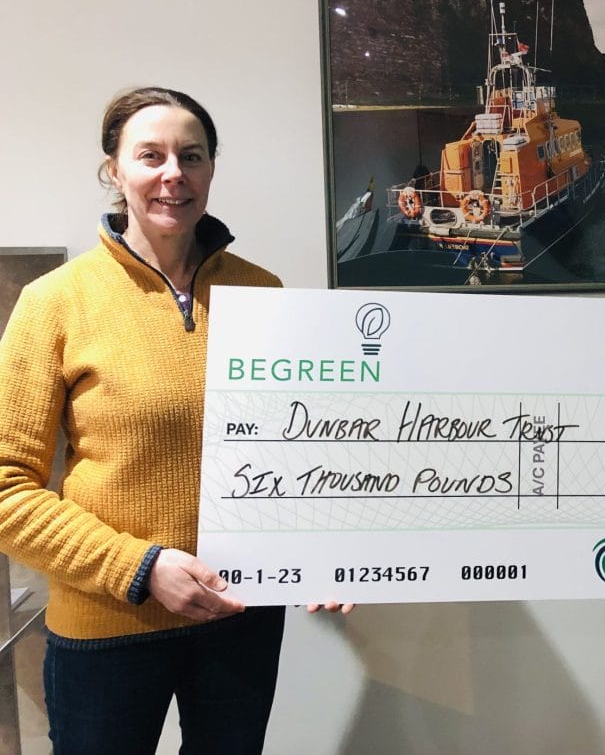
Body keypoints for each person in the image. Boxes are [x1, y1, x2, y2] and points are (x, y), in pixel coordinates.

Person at [0, 87, 350, 754]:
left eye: (191, 156)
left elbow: (296, 449)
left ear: (212, 167)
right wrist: (139, 567)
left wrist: (329, 547)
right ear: (114, 169)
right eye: (150, 155)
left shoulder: (262, 292)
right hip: (109, 622)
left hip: (239, 617)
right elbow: (6, 488)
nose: (173, 174)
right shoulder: (55, 302)